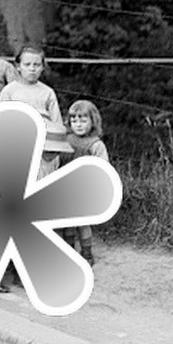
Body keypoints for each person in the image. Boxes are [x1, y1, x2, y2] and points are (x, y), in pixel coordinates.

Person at [66, 100, 109, 264]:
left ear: (93, 121)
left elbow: (103, 168)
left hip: (83, 189)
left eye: (83, 120)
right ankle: (68, 252)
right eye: (74, 120)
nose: (78, 124)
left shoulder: (96, 144)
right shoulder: (65, 139)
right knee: (67, 223)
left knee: (83, 223)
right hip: (65, 189)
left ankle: (87, 254)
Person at [0, 45, 65, 127]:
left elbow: (57, 123)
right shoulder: (9, 91)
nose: (32, 69)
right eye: (27, 64)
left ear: (42, 67)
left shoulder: (48, 92)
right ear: (18, 66)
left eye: (37, 65)